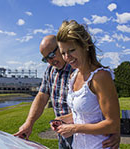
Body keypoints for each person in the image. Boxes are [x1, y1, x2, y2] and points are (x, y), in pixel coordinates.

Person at [14, 35, 120, 149]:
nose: (50, 61)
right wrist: (29, 123)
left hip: (89, 134)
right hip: (64, 132)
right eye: (46, 59)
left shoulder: (80, 66)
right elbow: (41, 97)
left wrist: (115, 130)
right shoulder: (50, 71)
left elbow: (107, 106)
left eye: (51, 55)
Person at [51, 20, 120, 149]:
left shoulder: (100, 77)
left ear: (85, 45)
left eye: (71, 50)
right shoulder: (73, 76)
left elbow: (113, 124)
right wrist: (63, 120)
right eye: (63, 53)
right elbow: (83, 115)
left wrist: (74, 129)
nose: (67, 57)